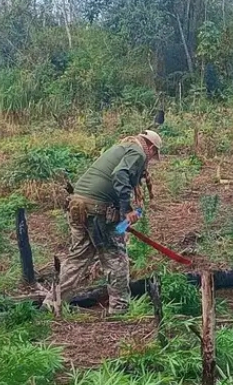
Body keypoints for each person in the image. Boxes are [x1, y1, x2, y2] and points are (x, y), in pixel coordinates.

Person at [53, 130, 163, 315]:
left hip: (77, 206)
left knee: (77, 259)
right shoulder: (138, 152)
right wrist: (126, 209)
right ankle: (119, 310)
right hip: (97, 211)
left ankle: (52, 303)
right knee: (116, 259)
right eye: (153, 156)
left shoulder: (122, 147)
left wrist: (122, 212)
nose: (150, 160)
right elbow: (120, 173)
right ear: (151, 148)